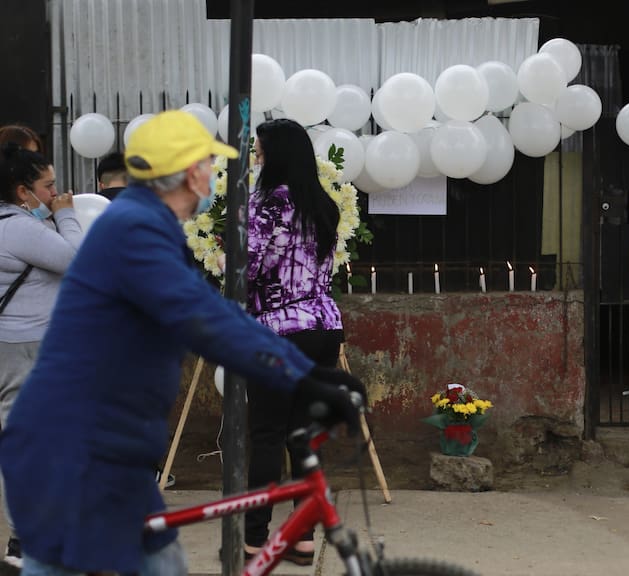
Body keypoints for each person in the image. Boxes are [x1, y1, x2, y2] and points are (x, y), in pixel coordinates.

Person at [0, 110, 366, 576]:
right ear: (191, 173)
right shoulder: (135, 232)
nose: (214, 178)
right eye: (209, 165)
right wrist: (303, 377)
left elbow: (211, 311)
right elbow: (204, 319)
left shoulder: (148, 225)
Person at [244, 118, 345, 566]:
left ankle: (255, 539)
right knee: (302, 437)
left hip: (280, 331)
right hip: (324, 327)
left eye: (261, 153)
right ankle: (303, 538)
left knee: (266, 434)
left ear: (276, 155)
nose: (257, 160)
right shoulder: (323, 203)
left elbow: (248, 268)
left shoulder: (269, 204)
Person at [0, 143, 82, 568]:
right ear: (21, 192)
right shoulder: (18, 228)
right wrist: (66, 215)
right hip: (28, 347)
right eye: (48, 186)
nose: (55, 193)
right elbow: (77, 259)